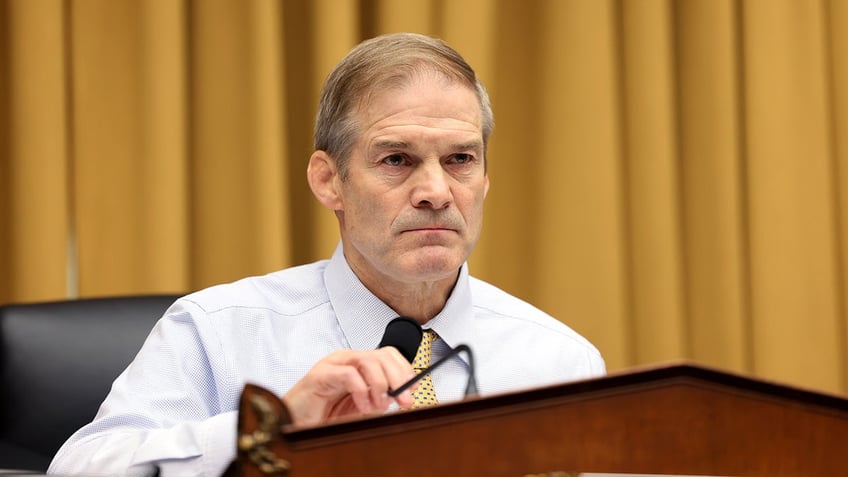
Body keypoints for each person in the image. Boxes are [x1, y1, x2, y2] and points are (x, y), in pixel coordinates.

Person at [49, 32, 605, 476]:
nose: (436, 191)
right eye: (396, 160)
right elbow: (78, 469)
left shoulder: (562, 363)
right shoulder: (218, 330)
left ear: (484, 178)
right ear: (328, 181)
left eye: (460, 158)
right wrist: (273, 431)